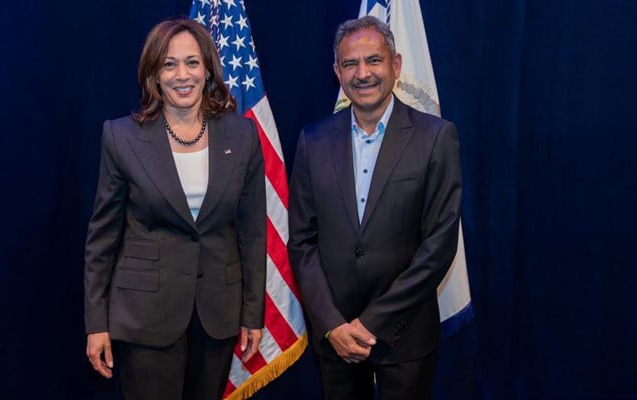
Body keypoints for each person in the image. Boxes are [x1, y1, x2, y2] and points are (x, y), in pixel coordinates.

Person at [83, 17, 266, 400]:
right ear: (154, 73)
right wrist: (95, 323)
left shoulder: (243, 135)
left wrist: (252, 313)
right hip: (145, 314)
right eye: (169, 64)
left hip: (217, 313)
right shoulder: (121, 137)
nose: (182, 75)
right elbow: (102, 239)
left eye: (192, 63)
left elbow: (251, 233)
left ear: (207, 69)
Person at [288, 16, 462, 400]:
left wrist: (372, 324)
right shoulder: (312, 141)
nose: (363, 73)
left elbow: (439, 245)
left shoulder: (436, 137)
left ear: (396, 65)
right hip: (336, 339)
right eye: (350, 64)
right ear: (337, 72)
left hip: (406, 335)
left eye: (374, 60)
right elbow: (301, 242)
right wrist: (333, 325)